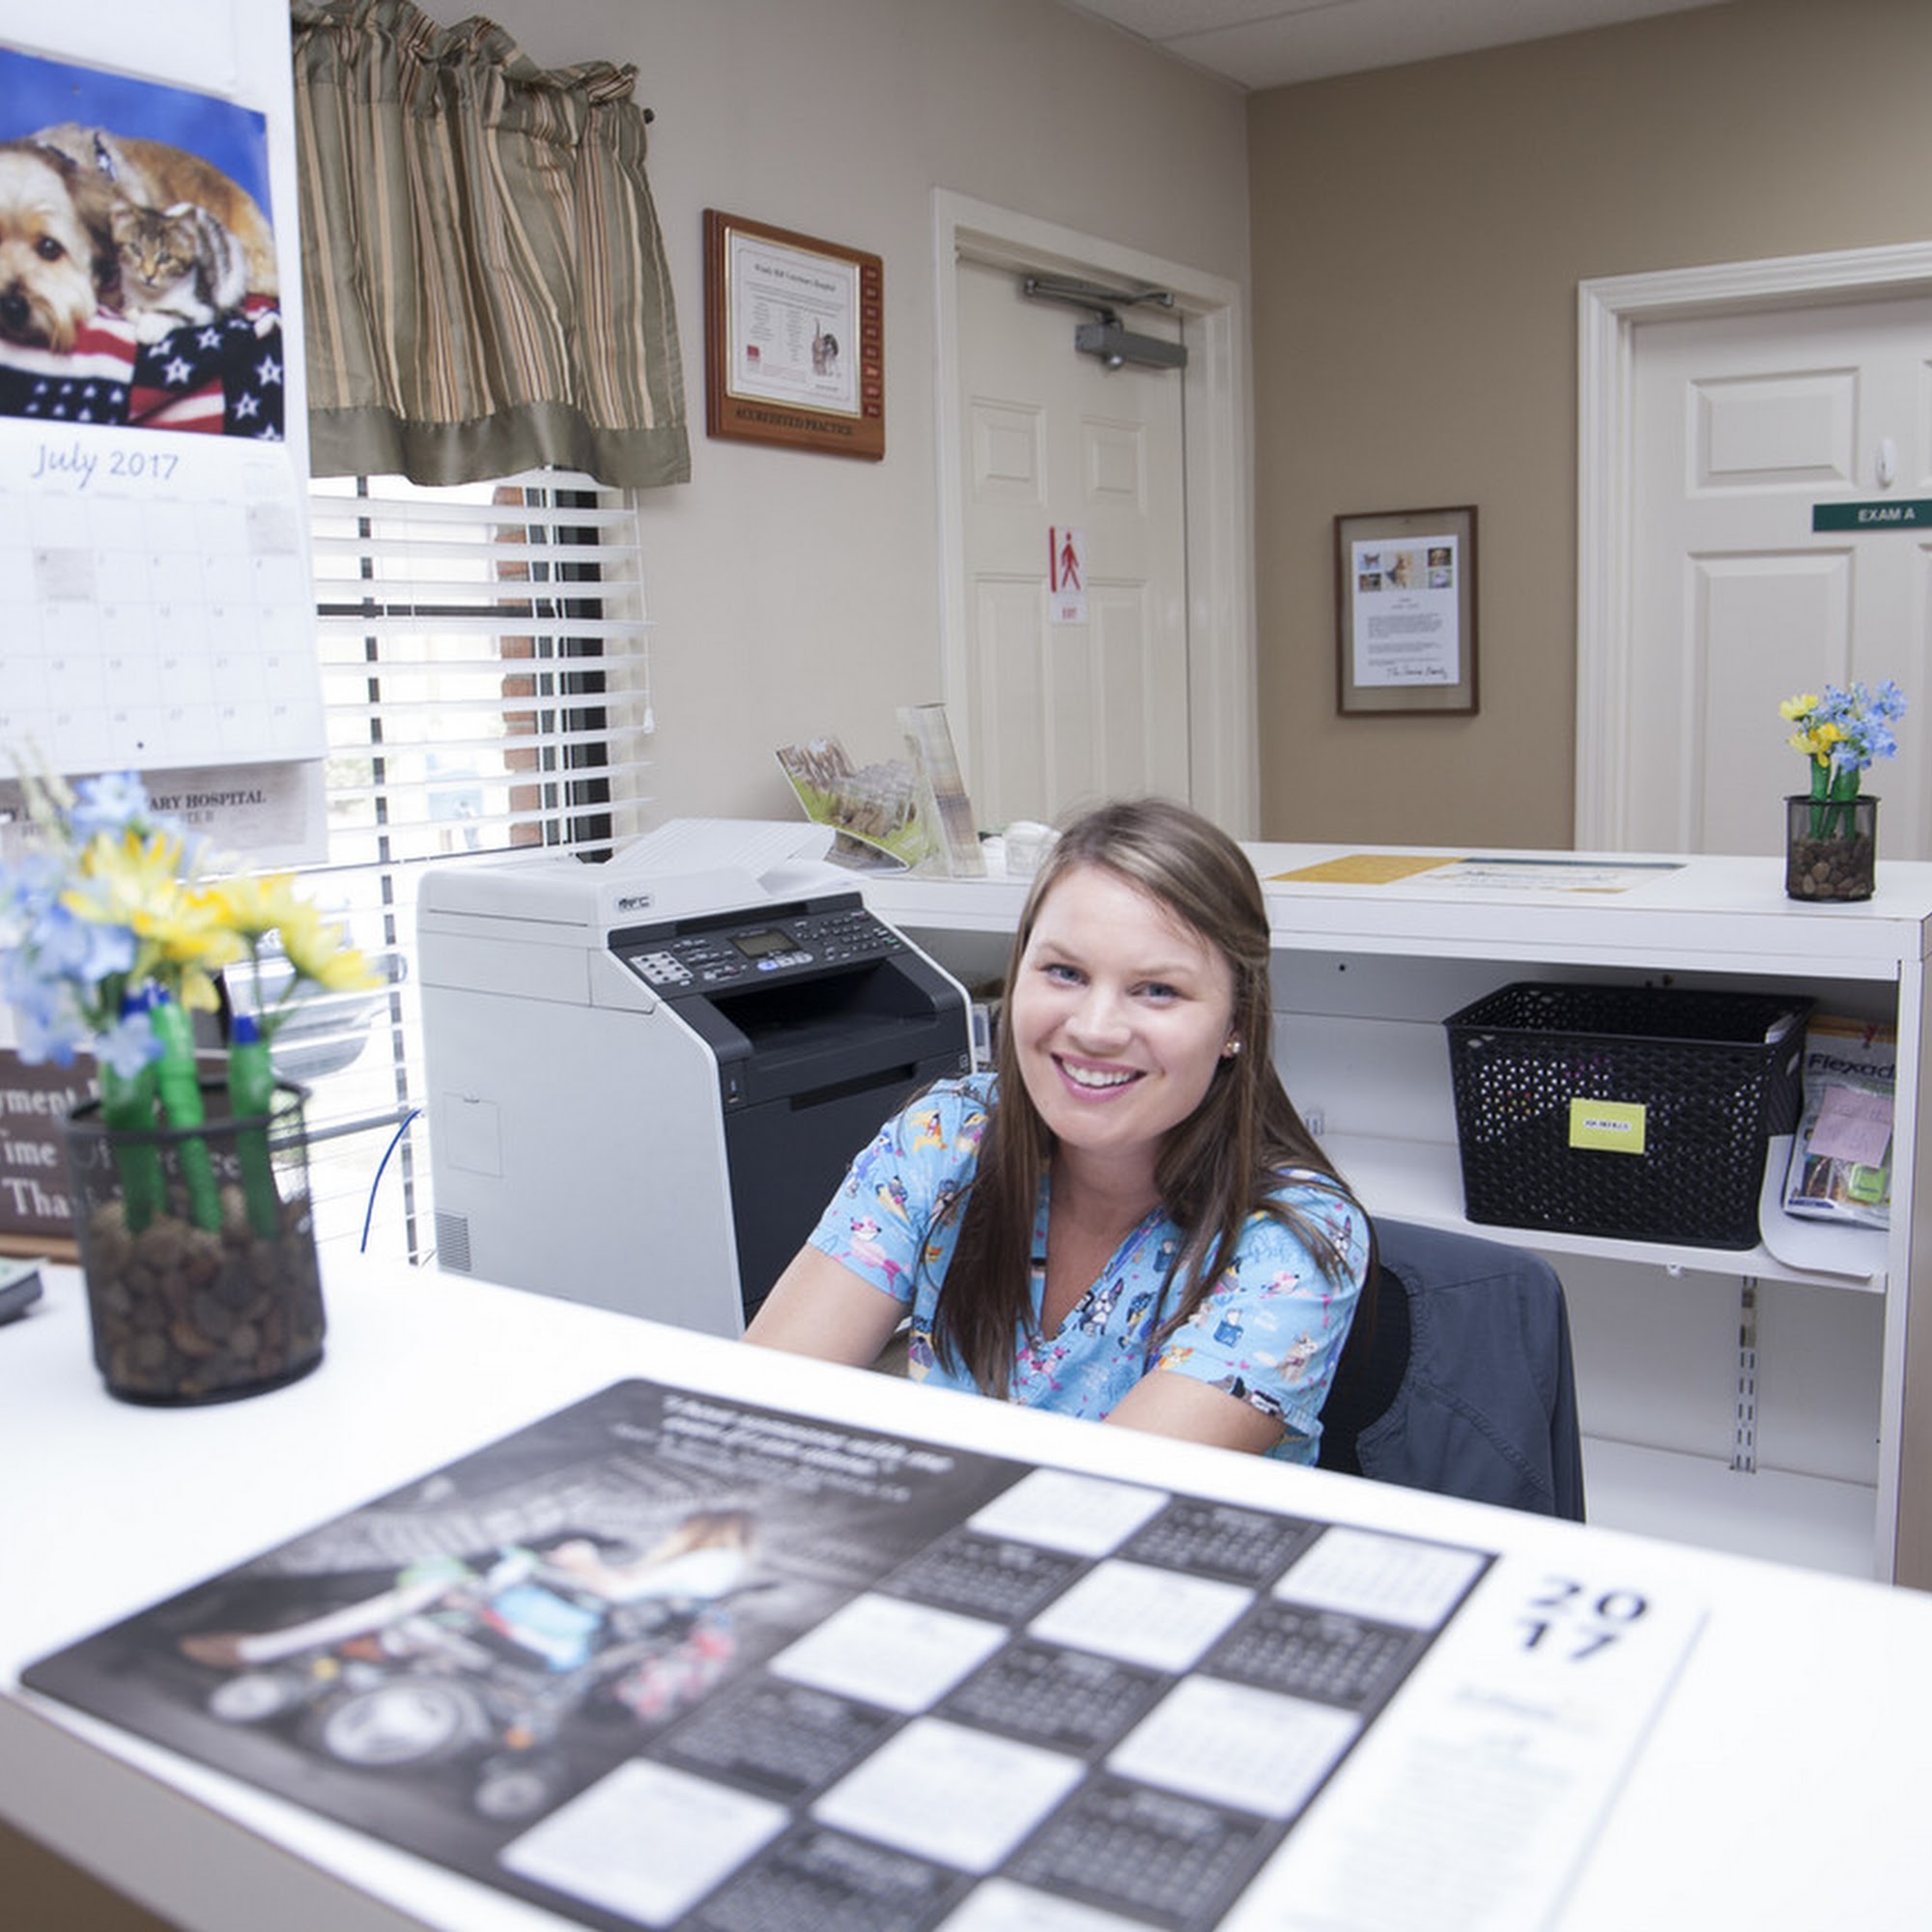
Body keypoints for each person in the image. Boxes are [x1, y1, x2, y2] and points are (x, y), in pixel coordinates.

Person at [746, 797, 1374, 1461]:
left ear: (1237, 1023)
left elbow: (1090, 1503)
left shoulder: (1289, 1241)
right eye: (1064, 973)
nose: (1095, 1029)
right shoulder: (944, 1141)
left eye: (1157, 989)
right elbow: (747, 1407)